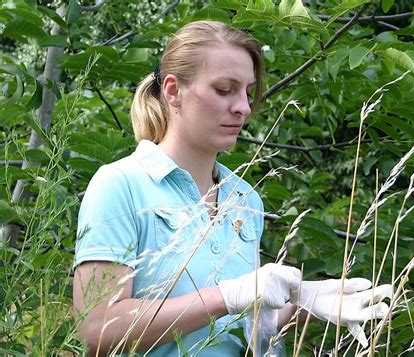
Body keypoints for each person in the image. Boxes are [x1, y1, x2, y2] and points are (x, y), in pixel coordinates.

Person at [73, 20, 391, 356]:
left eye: (248, 92)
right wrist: (227, 296)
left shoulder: (245, 198)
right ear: (172, 91)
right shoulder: (121, 185)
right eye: (225, 90)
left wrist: (300, 302)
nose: (243, 107)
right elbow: (96, 329)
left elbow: (242, 329)